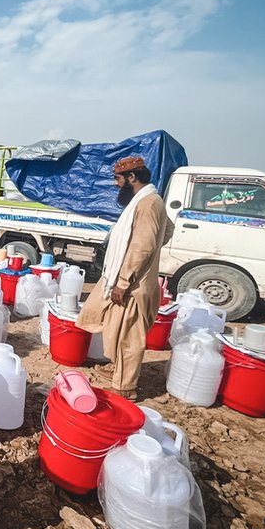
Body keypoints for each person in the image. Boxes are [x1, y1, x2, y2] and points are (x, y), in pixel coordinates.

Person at [76, 157, 175, 400]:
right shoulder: (148, 201)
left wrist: (123, 281)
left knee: (128, 336)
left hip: (134, 283)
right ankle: (119, 372)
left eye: (118, 179)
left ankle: (125, 388)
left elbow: (142, 247)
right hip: (131, 276)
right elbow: (167, 231)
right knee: (115, 328)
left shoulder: (148, 203)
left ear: (132, 177)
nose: (116, 184)